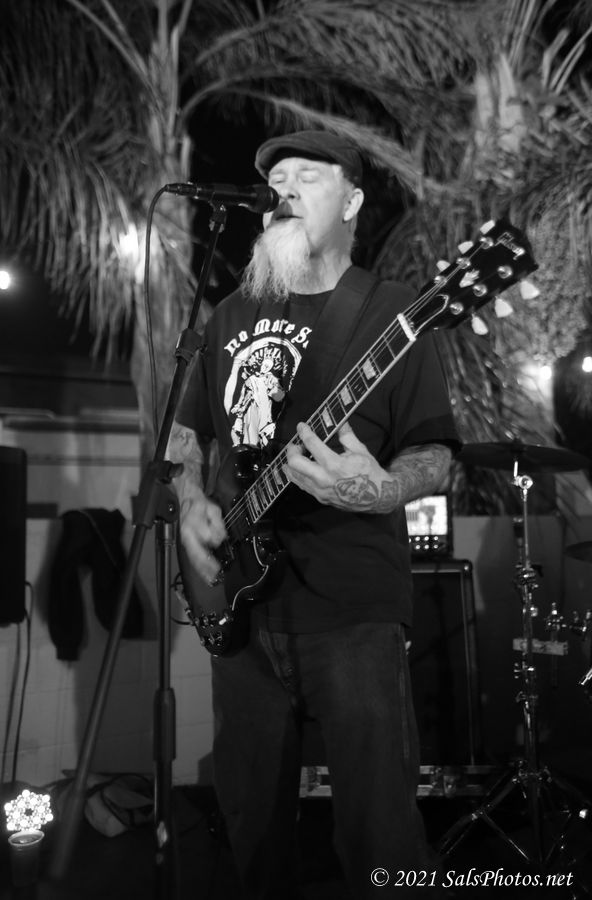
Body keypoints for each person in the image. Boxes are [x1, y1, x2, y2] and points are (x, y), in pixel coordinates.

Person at [167, 129, 460, 898]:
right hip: (241, 610)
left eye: (308, 176)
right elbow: (186, 437)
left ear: (353, 202)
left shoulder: (393, 313)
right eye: (277, 180)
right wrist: (191, 501)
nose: (285, 190)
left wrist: (381, 489)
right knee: (251, 826)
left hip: (353, 608)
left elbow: (437, 454)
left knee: (379, 830)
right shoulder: (229, 314)